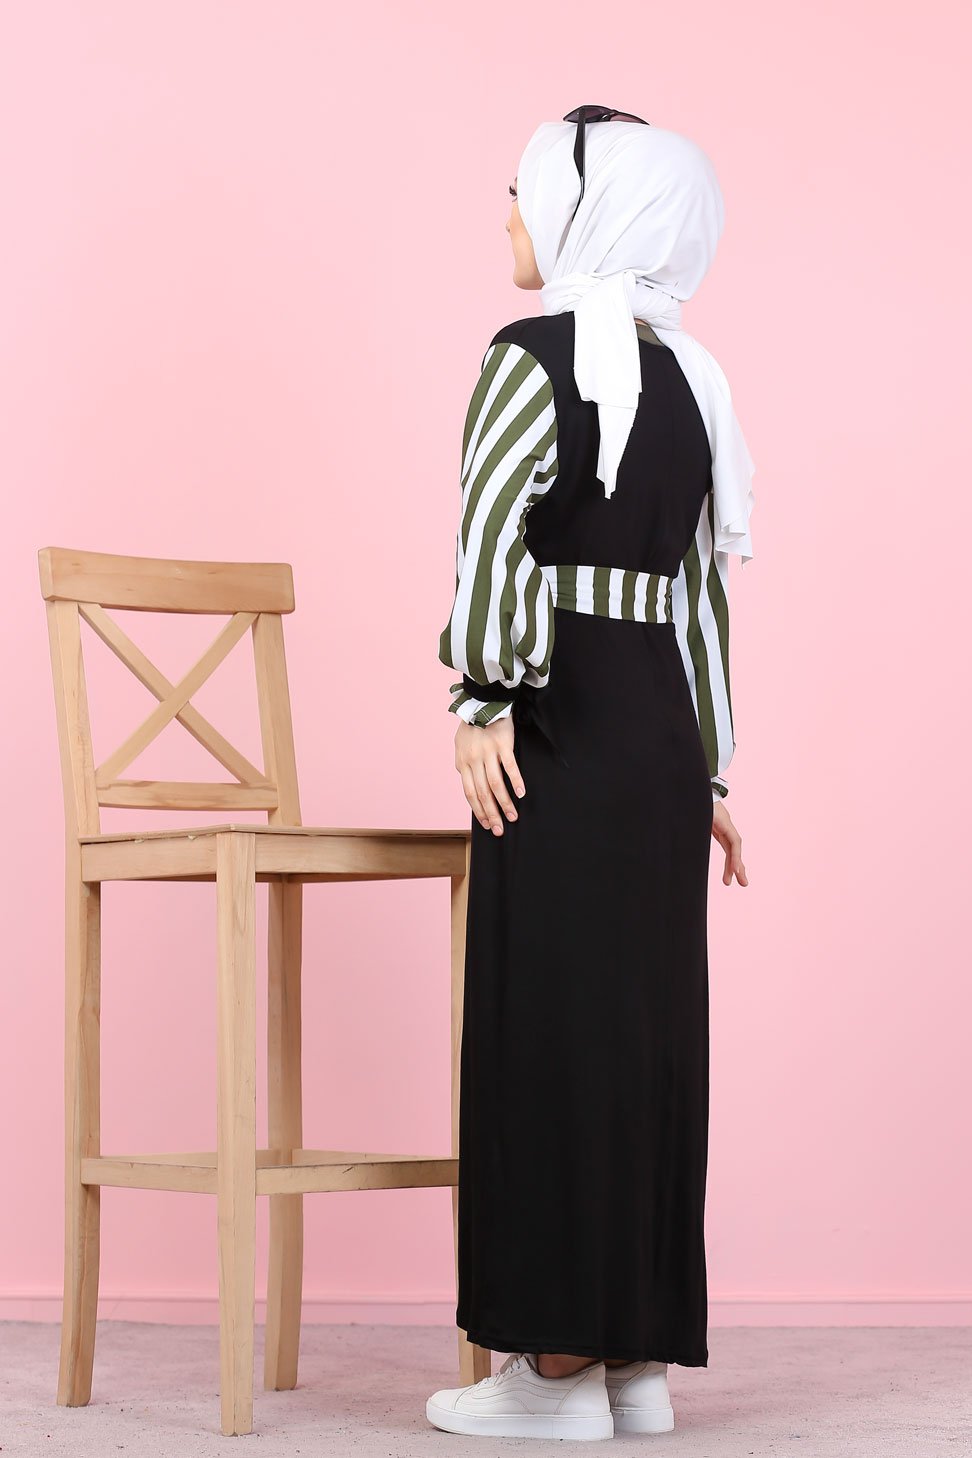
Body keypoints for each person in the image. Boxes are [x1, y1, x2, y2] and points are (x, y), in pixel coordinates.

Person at [427, 106, 755, 1442]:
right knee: (642, 1042)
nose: (507, 213)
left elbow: (493, 532)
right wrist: (711, 776)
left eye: (521, 191)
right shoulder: (693, 384)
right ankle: (633, 1366)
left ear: (582, 214)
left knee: (551, 1035)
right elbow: (700, 599)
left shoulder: (527, 357)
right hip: (660, 743)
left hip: (559, 728)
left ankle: (552, 1371)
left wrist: (481, 695)